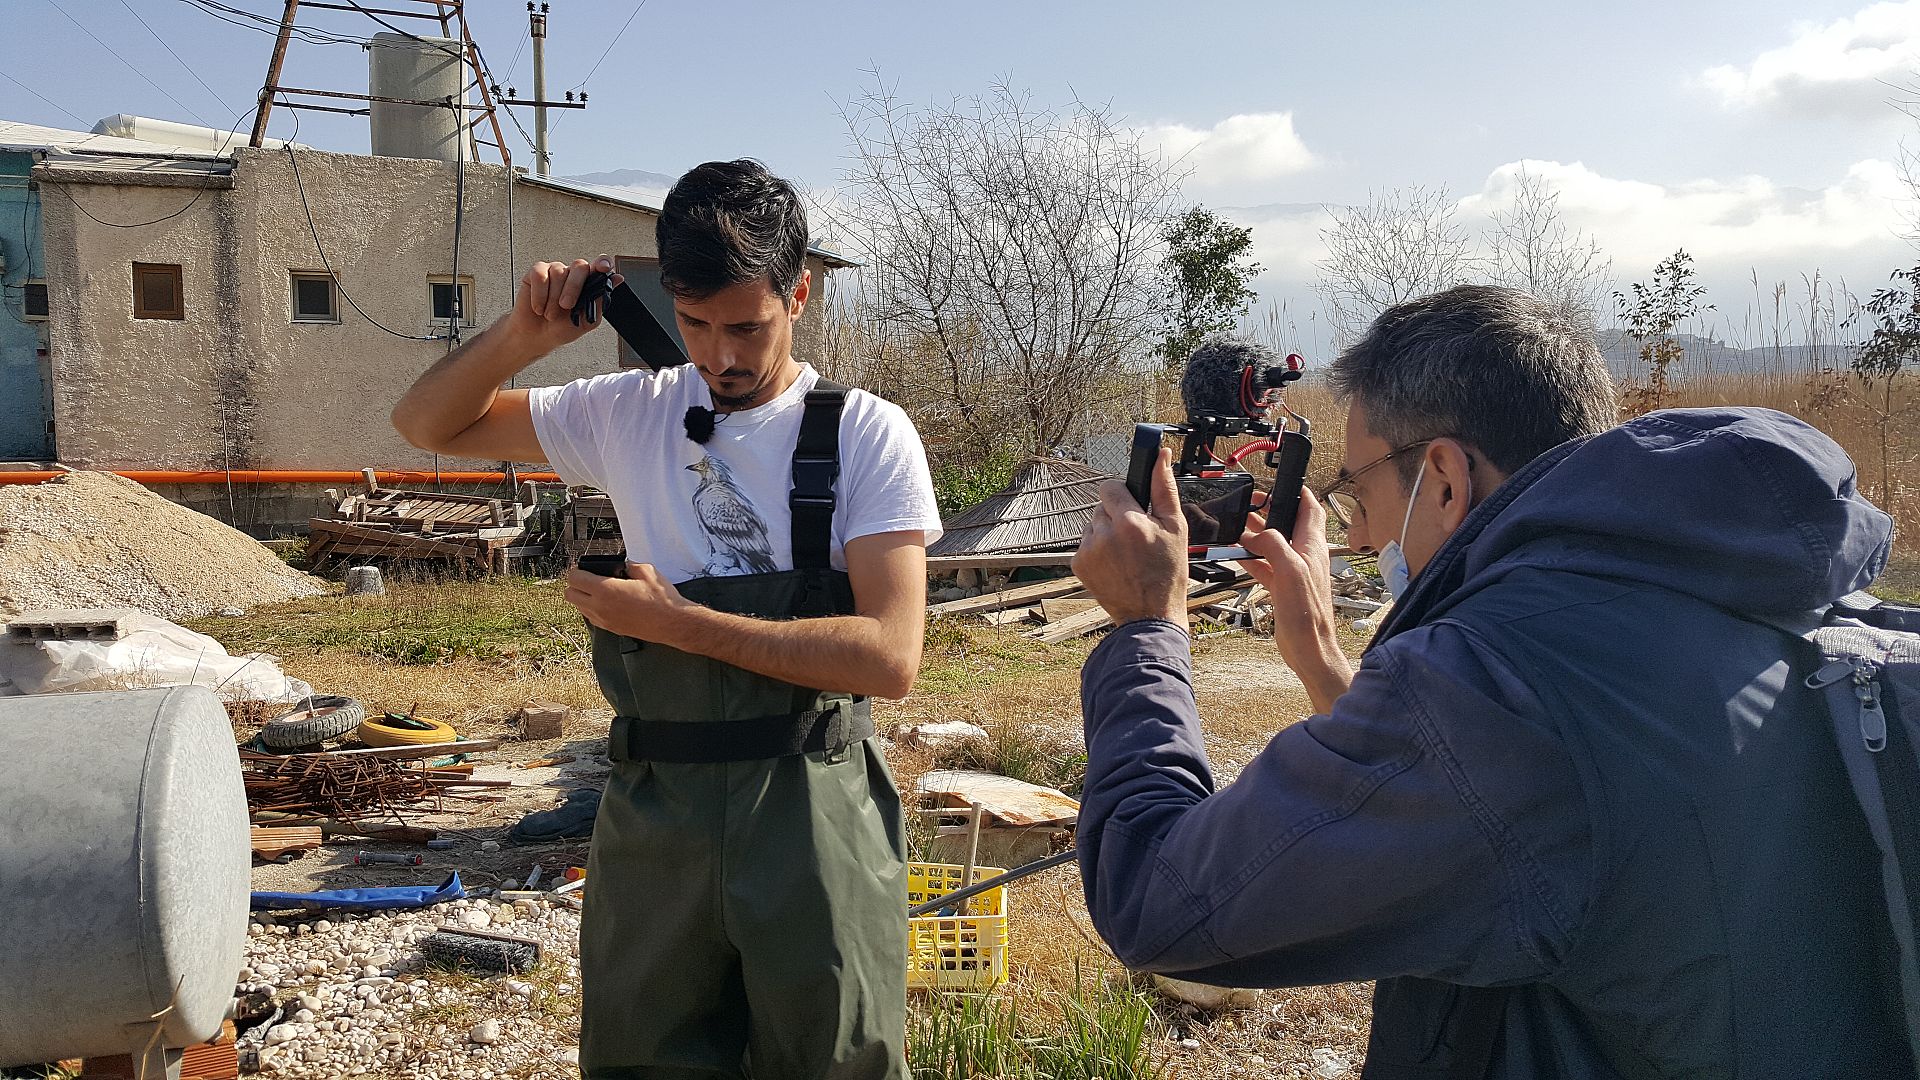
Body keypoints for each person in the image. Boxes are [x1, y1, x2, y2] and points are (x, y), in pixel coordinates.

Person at [1070, 285, 1907, 1078]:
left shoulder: (1502, 690)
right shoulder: (1740, 581)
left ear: (1442, 477)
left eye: (1360, 487)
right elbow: (1494, 808)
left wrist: (1149, 626)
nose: (1359, 534)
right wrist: (1323, 657)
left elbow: (1155, 897)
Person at [392, 160, 939, 1079]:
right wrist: (522, 334)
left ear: (798, 294)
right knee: (641, 1056)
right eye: (693, 324)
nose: (719, 355)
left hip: (811, 805)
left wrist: (682, 626)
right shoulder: (626, 413)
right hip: (659, 810)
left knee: (836, 1059)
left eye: (746, 327)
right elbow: (426, 425)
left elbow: (889, 657)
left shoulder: (864, 434)